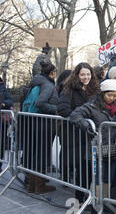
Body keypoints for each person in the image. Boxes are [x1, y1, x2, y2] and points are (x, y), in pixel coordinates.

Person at [69, 79, 116, 214]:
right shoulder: (92, 106)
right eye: (109, 95)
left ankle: (103, 206)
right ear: (102, 93)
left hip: (111, 149)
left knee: (107, 180)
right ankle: (95, 209)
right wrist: (89, 127)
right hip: (96, 149)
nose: (112, 98)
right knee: (98, 180)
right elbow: (75, 116)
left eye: (115, 95)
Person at [57, 63, 99, 203]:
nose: (86, 77)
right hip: (76, 133)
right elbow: (63, 109)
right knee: (81, 167)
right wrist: (80, 119)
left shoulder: (95, 89)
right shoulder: (69, 89)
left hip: (91, 134)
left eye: (88, 74)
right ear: (77, 75)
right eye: (82, 74)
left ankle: (89, 194)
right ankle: (80, 197)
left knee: (90, 166)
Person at [24, 61, 59, 194]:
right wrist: (56, 109)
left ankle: (32, 185)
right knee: (41, 153)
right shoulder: (48, 85)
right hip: (42, 124)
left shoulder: (36, 82)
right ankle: (39, 185)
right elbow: (40, 103)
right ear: (52, 73)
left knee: (35, 153)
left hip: (33, 122)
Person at [1, 76, 13, 171]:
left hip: (1, 121)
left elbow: (10, 101)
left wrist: (4, 103)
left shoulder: (2, 87)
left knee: (1, 143)